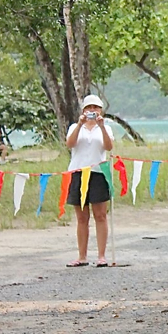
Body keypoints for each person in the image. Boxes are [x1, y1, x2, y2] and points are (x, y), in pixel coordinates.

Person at [65, 94, 114, 268]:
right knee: (81, 217)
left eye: (95, 108)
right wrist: (80, 124)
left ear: (101, 110)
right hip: (78, 171)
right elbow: (70, 144)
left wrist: (100, 126)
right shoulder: (74, 127)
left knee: (100, 215)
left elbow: (108, 147)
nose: (92, 111)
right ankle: (82, 255)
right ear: (84, 110)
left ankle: (101, 255)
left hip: (98, 172)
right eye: (89, 108)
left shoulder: (106, 128)